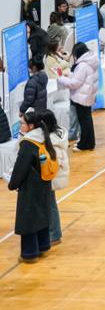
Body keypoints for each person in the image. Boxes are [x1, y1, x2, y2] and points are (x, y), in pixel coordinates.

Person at [7, 109, 59, 262]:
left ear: (31, 126)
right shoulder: (44, 137)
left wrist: (12, 184)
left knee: (28, 219)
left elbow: (20, 167)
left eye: (22, 123)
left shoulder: (28, 143)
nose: (20, 126)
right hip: (44, 184)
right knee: (42, 216)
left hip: (30, 187)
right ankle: (43, 246)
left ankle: (29, 254)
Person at [57, 42, 99, 151]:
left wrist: (61, 78)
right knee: (87, 120)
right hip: (88, 95)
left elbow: (74, 83)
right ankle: (88, 142)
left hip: (82, 97)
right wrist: (70, 75)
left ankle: (85, 144)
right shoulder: (91, 61)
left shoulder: (82, 65)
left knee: (84, 122)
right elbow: (81, 78)